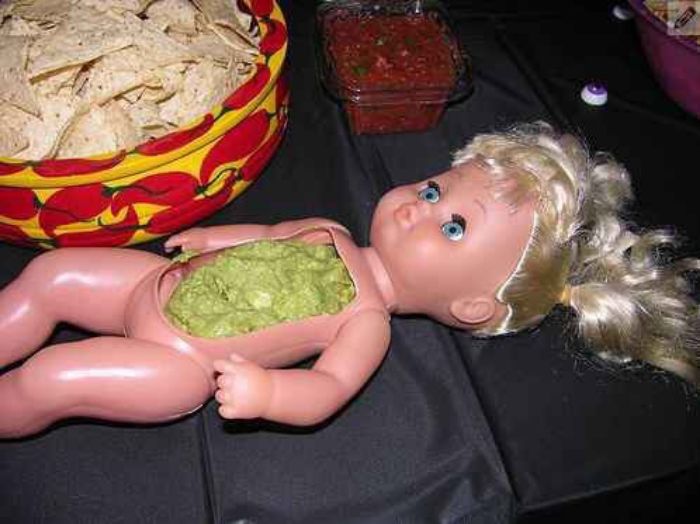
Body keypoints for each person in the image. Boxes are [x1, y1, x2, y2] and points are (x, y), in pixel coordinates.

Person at [1, 122, 697, 438]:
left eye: (454, 226)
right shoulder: (330, 230)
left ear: (471, 305)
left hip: (177, 362)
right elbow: (268, 235)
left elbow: (328, 390)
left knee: (55, 376)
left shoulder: (366, 325)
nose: (420, 208)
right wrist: (213, 239)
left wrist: (268, 392)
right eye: (434, 190)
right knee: (52, 271)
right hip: (153, 284)